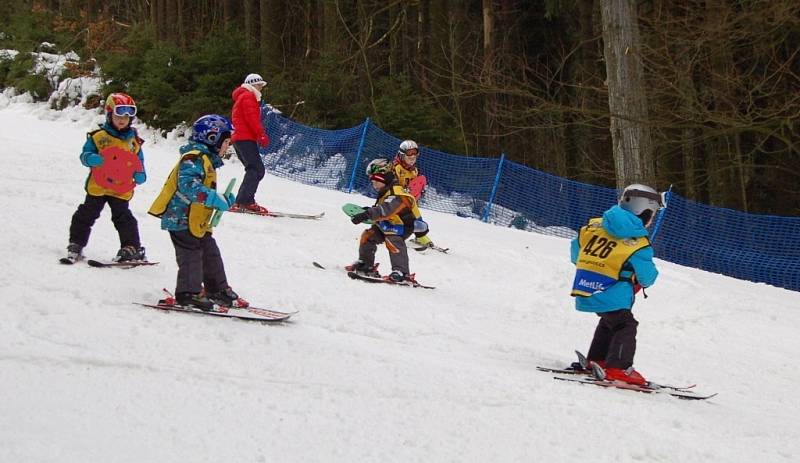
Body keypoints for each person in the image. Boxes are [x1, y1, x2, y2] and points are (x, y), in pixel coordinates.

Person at [148, 115, 248, 311]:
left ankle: (216, 289)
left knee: (210, 252)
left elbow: (204, 189)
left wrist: (222, 199)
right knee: (191, 254)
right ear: (212, 139)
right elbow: (188, 186)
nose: (228, 147)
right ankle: (188, 293)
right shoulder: (193, 158)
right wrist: (212, 197)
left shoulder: (206, 160)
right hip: (180, 218)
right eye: (226, 142)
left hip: (197, 220)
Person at [569, 184, 663, 385]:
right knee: (625, 325)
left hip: (586, 288)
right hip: (613, 293)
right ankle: (618, 368)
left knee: (610, 321)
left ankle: (598, 359)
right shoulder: (638, 242)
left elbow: (575, 252)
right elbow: (648, 277)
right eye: (652, 214)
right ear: (644, 211)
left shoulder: (594, 226)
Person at [64, 92, 147, 263]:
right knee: (86, 214)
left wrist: (140, 173)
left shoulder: (134, 141)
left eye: (126, 116)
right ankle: (76, 244)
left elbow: (139, 160)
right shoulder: (99, 137)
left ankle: (131, 247)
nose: (122, 119)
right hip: (99, 186)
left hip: (120, 188)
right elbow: (85, 155)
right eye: (118, 115)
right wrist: (91, 158)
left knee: (123, 218)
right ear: (109, 114)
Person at [348, 158, 427, 284]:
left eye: (375, 181)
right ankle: (365, 263)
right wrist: (365, 212)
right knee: (368, 236)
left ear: (384, 178)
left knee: (392, 240)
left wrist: (368, 214)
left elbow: (386, 210)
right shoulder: (385, 191)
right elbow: (381, 209)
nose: (373, 184)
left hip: (401, 226)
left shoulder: (397, 192)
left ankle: (401, 272)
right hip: (387, 224)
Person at [229, 73, 270, 214]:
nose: (261, 88)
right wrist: (261, 135)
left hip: (240, 138)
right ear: (253, 84)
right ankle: (245, 202)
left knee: (253, 169)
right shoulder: (248, 96)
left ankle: (243, 200)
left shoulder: (242, 96)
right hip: (245, 138)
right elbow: (252, 118)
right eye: (260, 85)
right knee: (257, 169)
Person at [390, 140, 435, 248]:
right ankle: (388, 230)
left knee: (417, 216)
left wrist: (418, 190)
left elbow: (414, 185)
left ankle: (420, 236)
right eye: (409, 153)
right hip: (393, 199)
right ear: (402, 154)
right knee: (402, 219)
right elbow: (389, 184)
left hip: (407, 199)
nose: (412, 156)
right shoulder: (395, 167)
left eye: (415, 153)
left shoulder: (414, 170)